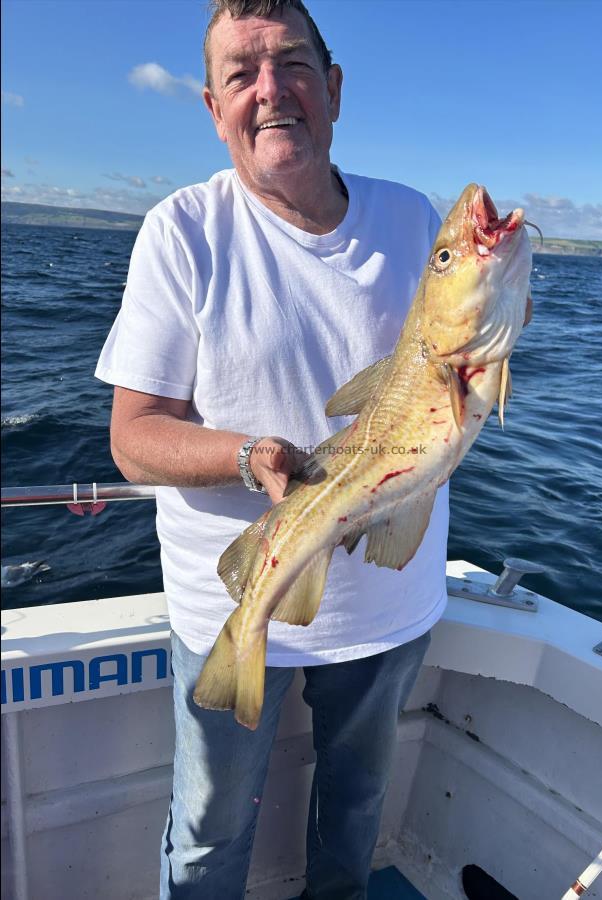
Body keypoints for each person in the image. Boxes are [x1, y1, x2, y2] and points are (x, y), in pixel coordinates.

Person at [96, 2, 452, 897]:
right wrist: (247, 452)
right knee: (210, 836)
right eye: (241, 74)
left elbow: (450, 386)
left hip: (389, 606)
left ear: (332, 88)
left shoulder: (413, 222)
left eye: (291, 63)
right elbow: (134, 440)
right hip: (235, 600)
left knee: (358, 814)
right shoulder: (180, 233)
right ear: (212, 107)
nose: (270, 91)